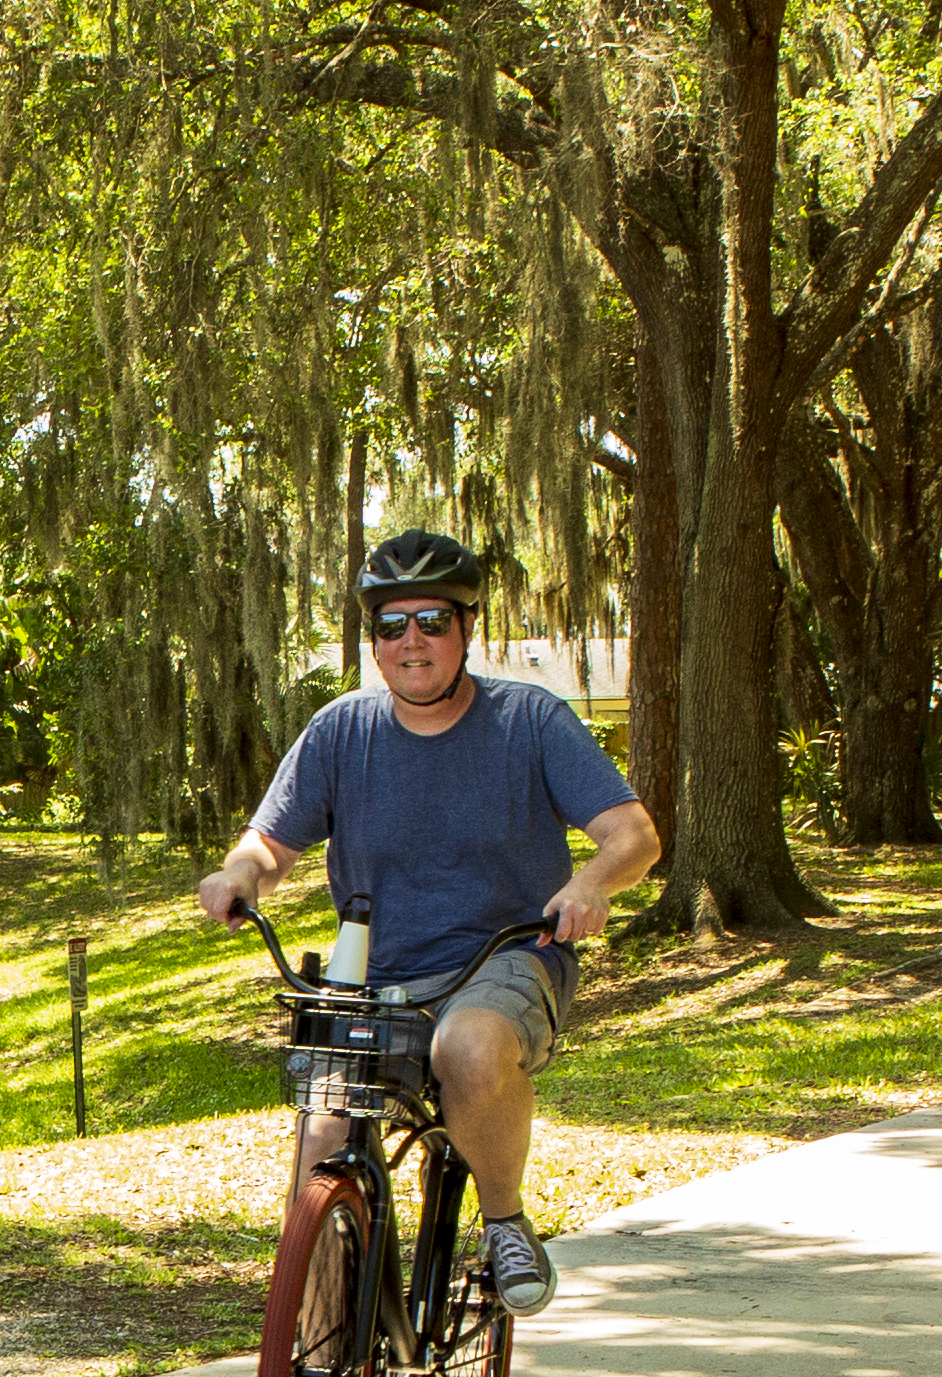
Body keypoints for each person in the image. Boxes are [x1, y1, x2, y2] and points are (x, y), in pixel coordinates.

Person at [192, 533, 658, 1314]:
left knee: (466, 1047)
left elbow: (633, 834)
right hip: (374, 978)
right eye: (392, 624)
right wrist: (240, 872)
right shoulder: (341, 731)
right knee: (321, 1131)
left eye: (434, 621)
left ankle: (504, 1222)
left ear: (467, 628)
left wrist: (590, 883)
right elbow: (269, 842)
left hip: (504, 959)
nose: (413, 641)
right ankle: (321, 1343)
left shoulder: (530, 721)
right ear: (373, 640)